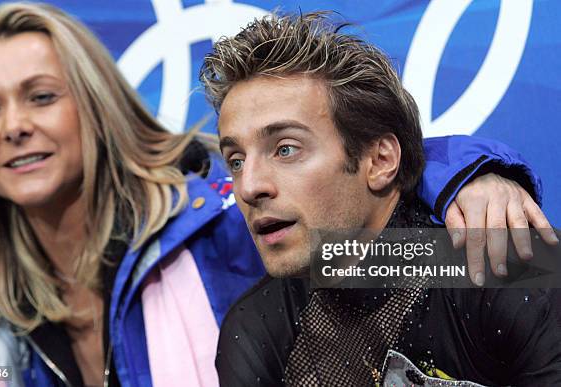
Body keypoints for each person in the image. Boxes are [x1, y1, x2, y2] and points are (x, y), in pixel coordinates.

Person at [0, 3, 554, 387]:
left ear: (94, 105)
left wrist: (472, 174)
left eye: (41, 96)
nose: (13, 126)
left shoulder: (217, 223)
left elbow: (365, 188)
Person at [201, 12, 561, 386]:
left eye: (286, 149)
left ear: (380, 161)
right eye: (237, 160)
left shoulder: (509, 267)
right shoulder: (254, 332)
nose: (248, 187)